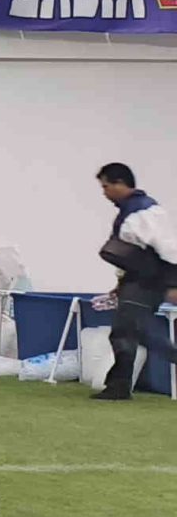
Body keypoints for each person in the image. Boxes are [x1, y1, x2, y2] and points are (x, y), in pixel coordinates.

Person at [91, 163, 177, 401]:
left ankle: (118, 387)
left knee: (141, 333)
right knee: (125, 332)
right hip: (137, 281)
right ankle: (118, 387)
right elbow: (129, 256)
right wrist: (121, 285)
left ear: (120, 183)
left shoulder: (145, 211)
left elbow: (169, 249)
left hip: (149, 282)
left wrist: (173, 284)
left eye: (106, 186)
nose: (104, 192)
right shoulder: (129, 210)